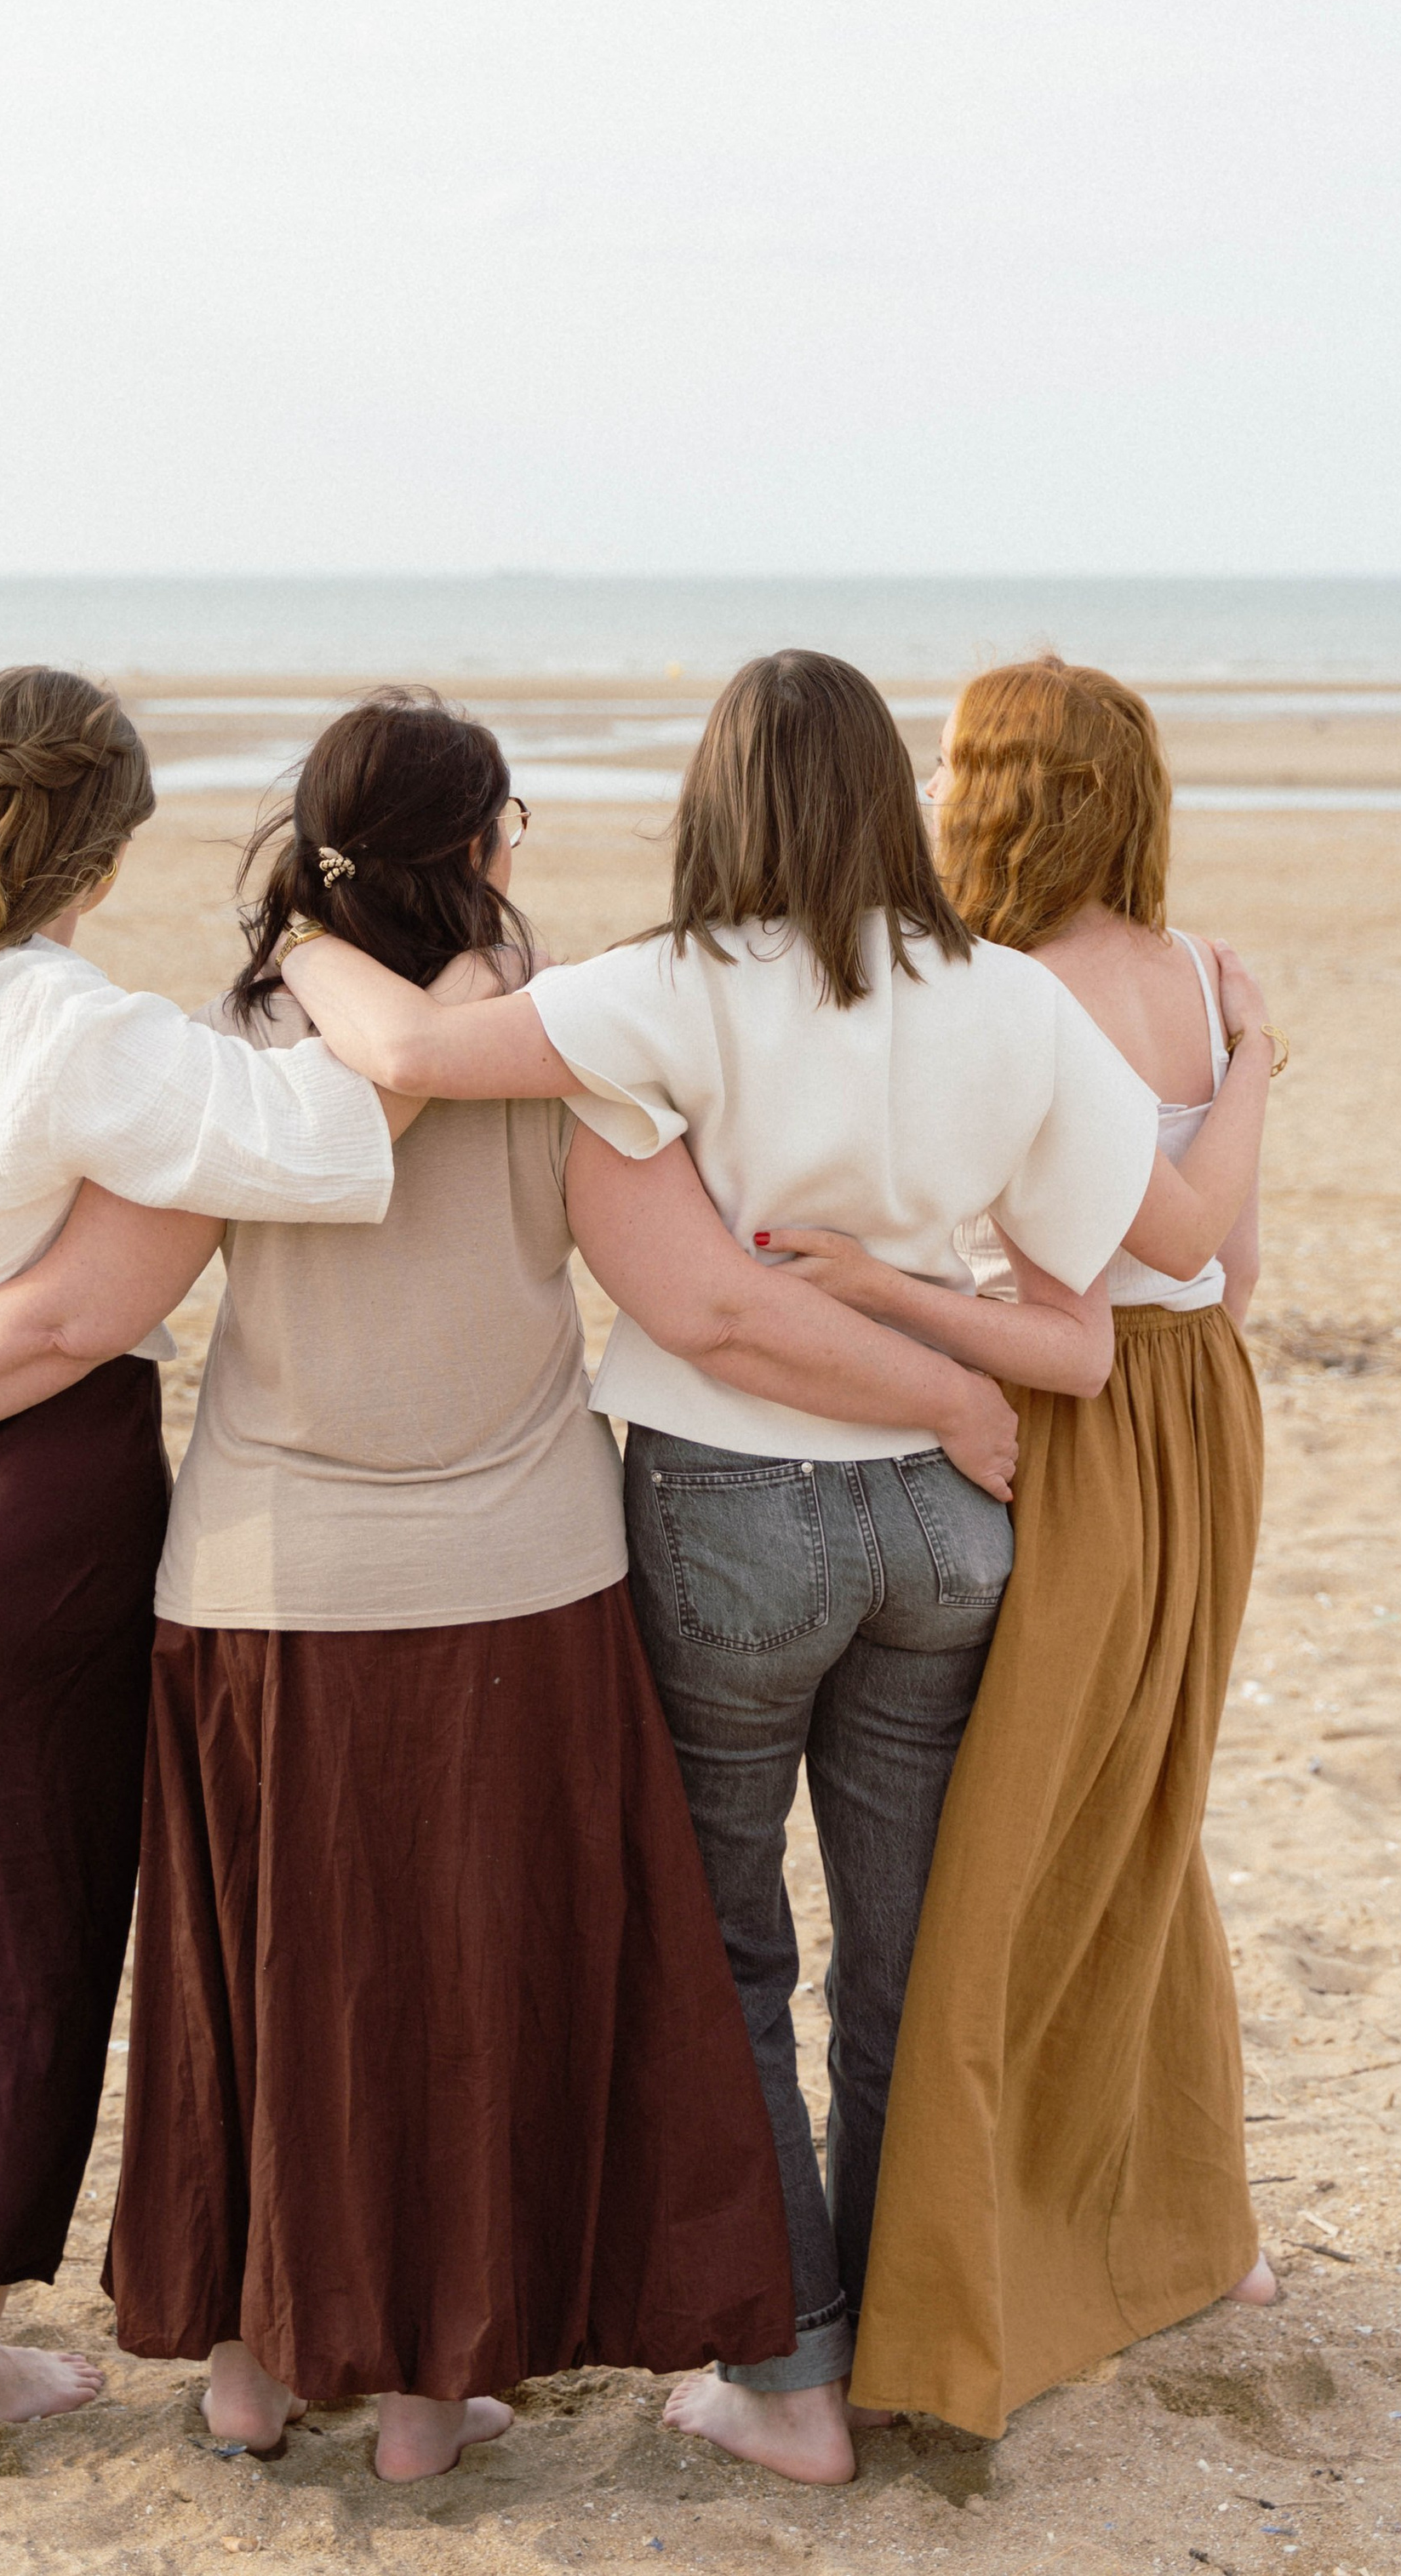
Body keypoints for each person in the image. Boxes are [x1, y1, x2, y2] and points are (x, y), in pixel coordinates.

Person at [0, 690, 1032, 2481]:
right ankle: (425, 2395)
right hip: (517, 1575)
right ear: (478, 850)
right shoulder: (557, 1049)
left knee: (274, 1986)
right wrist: (946, 1383)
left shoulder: (239, 1041)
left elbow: (102, 1295)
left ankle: (248, 2359)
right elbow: (692, 1298)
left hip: (263, 1579)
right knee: (465, 1992)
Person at [276, 649, 1272, 2483]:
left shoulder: (666, 984)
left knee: (729, 1946)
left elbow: (404, 1055)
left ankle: (788, 2378)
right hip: (946, 1523)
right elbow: (1089, 1334)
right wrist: (930, 1347)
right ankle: (906, 2343)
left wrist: (300, 931)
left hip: (728, 1516)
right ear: (894, 795)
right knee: (909, 1955)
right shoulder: (1010, 999)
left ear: (715, 798)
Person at [0, 664, 411, 2447]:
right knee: (22, 1935)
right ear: (108, 850)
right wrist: (408, 1005)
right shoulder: (75, 1024)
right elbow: (323, 1135)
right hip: (13, 1513)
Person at [842, 657, 1278, 2437]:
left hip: (1082, 1424)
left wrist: (881, 1294)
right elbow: (1232, 1277)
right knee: (1145, 1802)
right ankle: (1199, 2226)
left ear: (1003, 796)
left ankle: (980, 2282)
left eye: (957, 766)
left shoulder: (1013, 991)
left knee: (1013, 1836)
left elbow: (1094, 1296)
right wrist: (1255, 1065)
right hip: (1209, 1413)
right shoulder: (1201, 977)